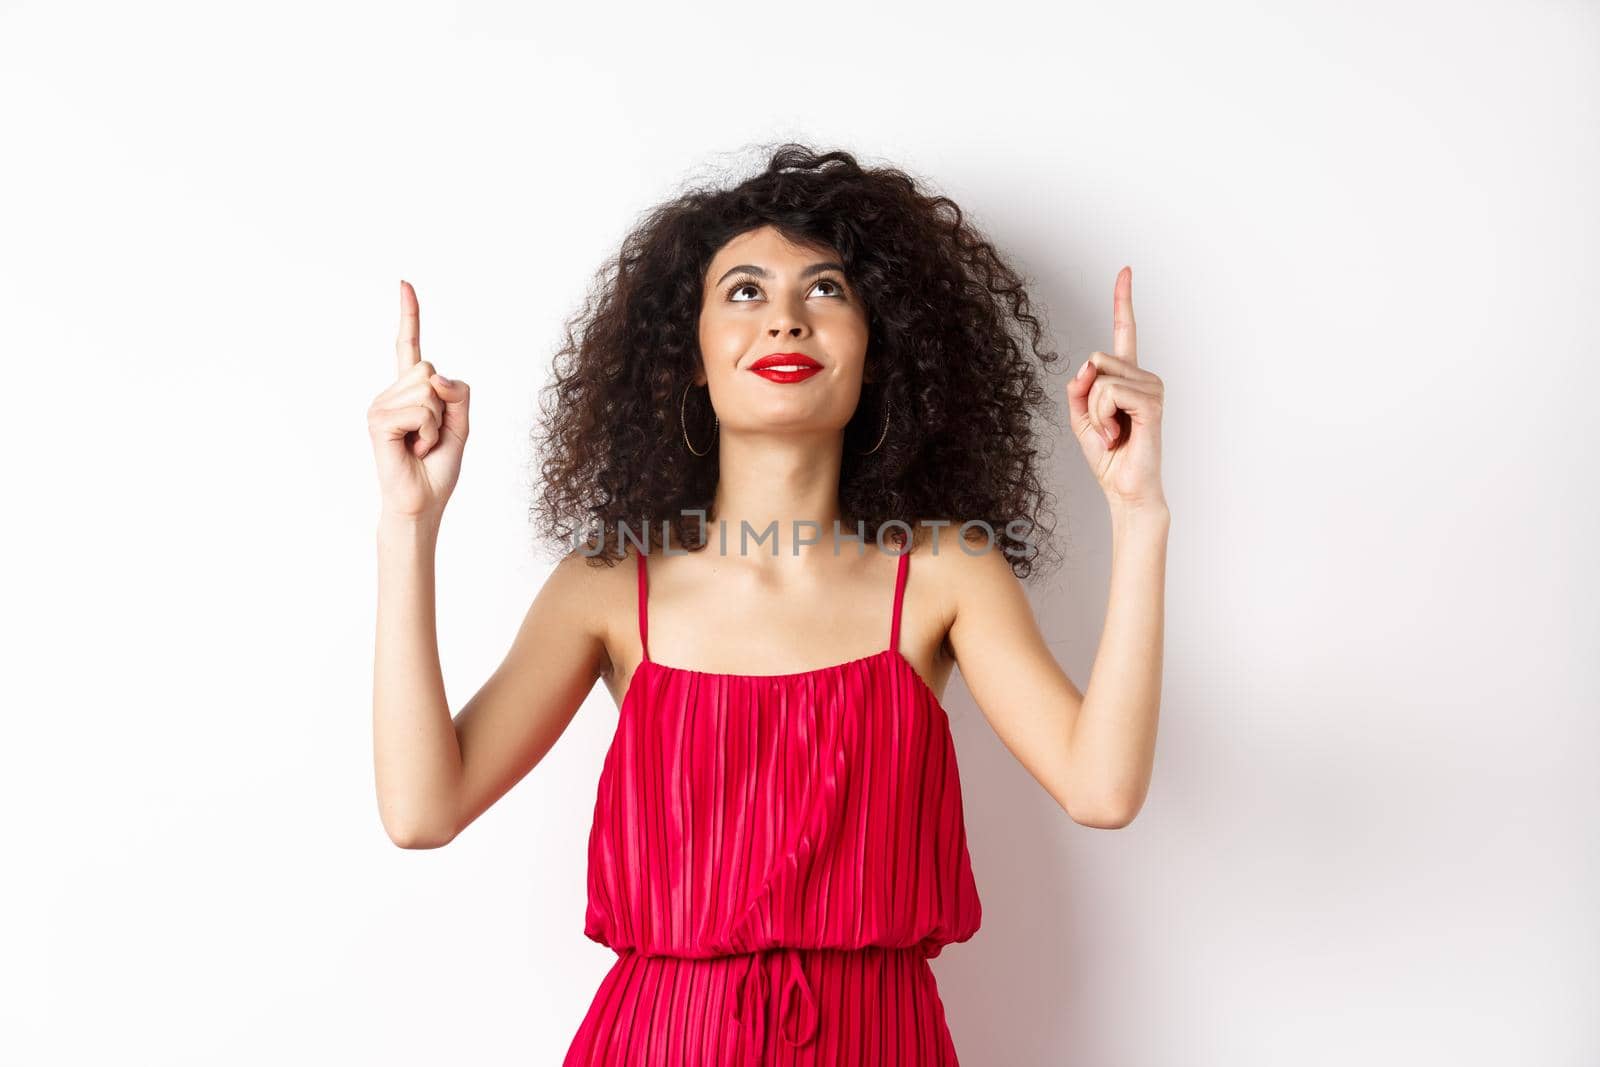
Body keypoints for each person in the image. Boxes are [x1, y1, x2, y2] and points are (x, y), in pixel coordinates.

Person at [367, 144, 1170, 1065]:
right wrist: (408, 522)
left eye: (826, 291)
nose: (785, 319)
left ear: (879, 352)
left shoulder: (947, 574)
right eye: (744, 291)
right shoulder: (607, 586)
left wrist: (1139, 514)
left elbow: (1102, 790)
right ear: (693, 358)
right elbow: (421, 810)